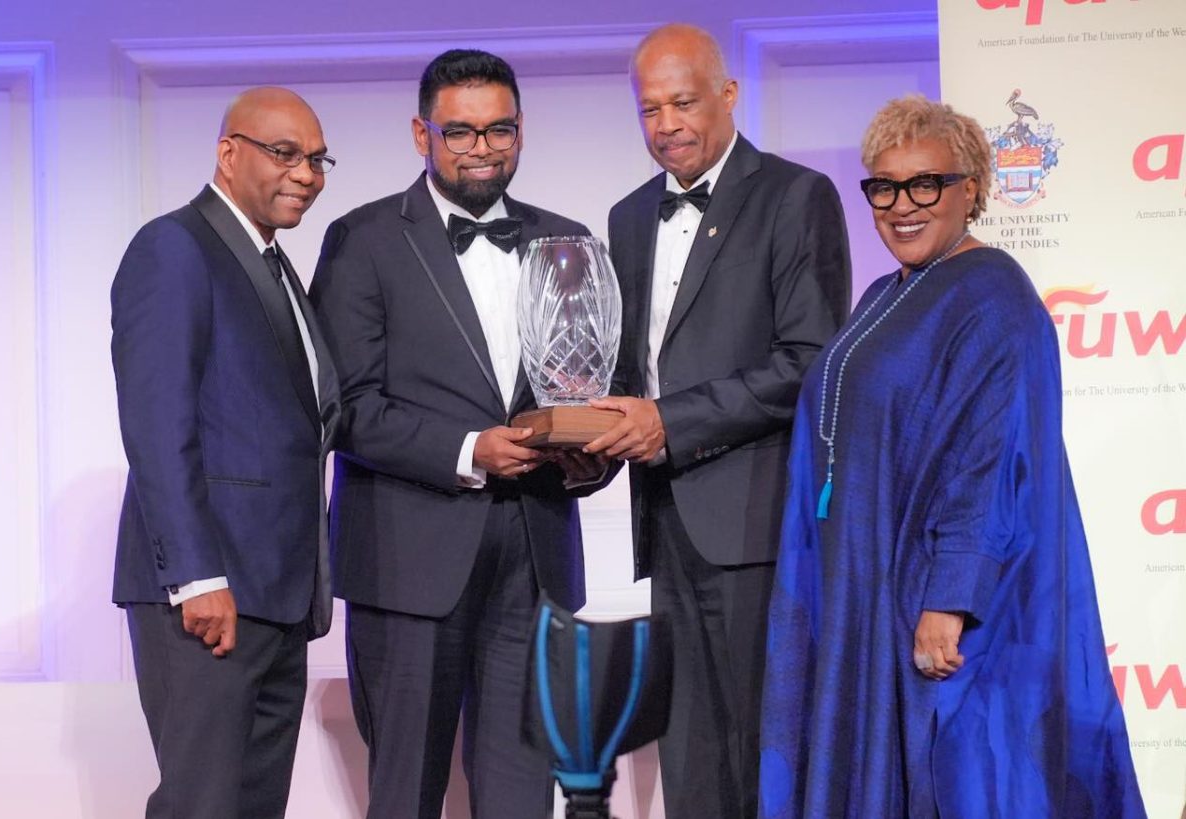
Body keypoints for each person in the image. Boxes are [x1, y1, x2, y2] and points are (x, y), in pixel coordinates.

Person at [759, 95, 1146, 818]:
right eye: (884, 186)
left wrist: (950, 597)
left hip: (933, 597)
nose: (902, 205)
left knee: (953, 778)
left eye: (924, 183)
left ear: (971, 188)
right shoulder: (886, 290)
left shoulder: (994, 294)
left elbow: (991, 458)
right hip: (860, 585)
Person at [310, 49, 609, 819]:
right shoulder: (365, 238)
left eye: (499, 129)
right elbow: (345, 404)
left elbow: (592, 392)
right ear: (423, 134)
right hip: (410, 555)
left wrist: (584, 458)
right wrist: (470, 449)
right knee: (406, 788)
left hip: (536, 550)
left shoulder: (567, 240)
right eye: (462, 132)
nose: (483, 148)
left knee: (520, 789)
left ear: (520, 130)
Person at [583, 23, 851, 819]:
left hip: (757, 520)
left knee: (762, 744)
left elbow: (808, 359)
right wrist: (584, 433)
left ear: (728, 96)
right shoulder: (627, 216)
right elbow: (631, 371)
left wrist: (669, 421)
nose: (666, 124)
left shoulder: (795, 196)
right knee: (688, 747)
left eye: (683, 102)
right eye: (649, 108)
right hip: (663, 522)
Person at [110, 87, 341, 819]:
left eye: (316, 159)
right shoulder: (174, 247)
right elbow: (156, 420)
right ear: (228, 152)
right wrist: (196, 575)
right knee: (201, 805)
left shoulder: (276, 266)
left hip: (276, 596)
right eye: (284, 153)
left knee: (252, 806)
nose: (304, 172)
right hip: (208, 595)